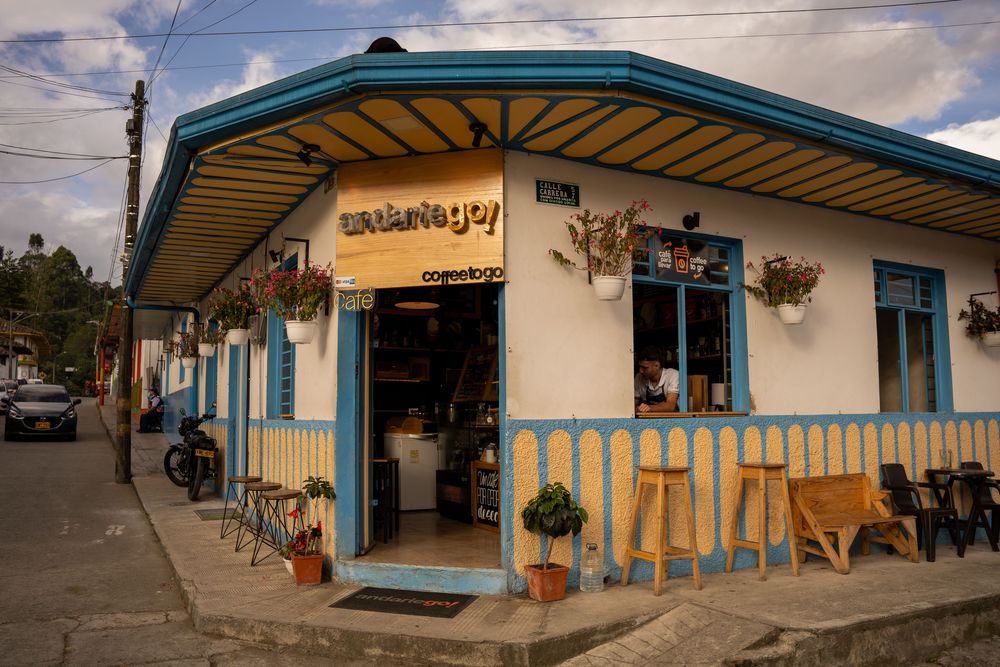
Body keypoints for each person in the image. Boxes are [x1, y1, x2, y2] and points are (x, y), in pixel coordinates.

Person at [634, 347, 680, 414]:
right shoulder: (639, 377)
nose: (640, 371)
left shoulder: (672, 375)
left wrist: (649, 408)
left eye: (644, 368)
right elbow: (633, 404)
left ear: (657, 365)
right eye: (640, 367)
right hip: (648, 420)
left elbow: (670, 405)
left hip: (672, 420)